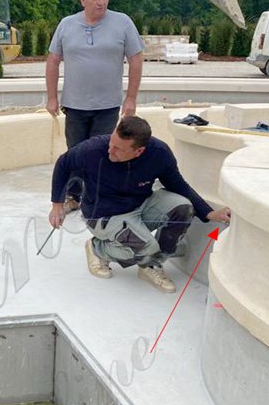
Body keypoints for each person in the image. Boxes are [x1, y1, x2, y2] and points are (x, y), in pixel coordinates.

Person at [48, 116, 231, 293]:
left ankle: (150, 264)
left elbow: (178, 185)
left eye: (119, 149)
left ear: (139, 151)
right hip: (104, 214)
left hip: (140, 205)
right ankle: (98, 249)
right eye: (111, 143)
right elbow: (63, 164)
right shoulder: (93, 149)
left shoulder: (159, 153)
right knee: (147, 247)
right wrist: (57, 204)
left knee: (183, 208)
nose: (110, 150)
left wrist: (208, 213)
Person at [46, 0, 144, 213]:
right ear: (82, 0)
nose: (101, 2)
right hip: (75, 104)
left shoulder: (123, 23)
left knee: (105, 152)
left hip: (107, 105)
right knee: (76, 153)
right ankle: (73, 196)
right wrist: (52, 97)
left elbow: (136, 59)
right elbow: (52, 61)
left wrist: (130, 98)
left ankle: (100, 197)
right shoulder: (66, 24)